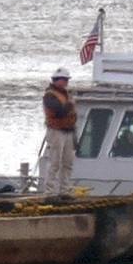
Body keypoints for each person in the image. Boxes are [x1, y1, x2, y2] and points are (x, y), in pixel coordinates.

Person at [42, 68, 77, 197]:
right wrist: (70, 105)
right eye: (65, 79)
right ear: (57, 80)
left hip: (68, 131)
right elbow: (59, 111)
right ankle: (49, 192)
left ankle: (64, 190)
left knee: (68, 162)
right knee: (55, 162)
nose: (67, 82)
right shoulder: (50, 95)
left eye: (67, 79)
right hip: (56, 131)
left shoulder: (66, 94)